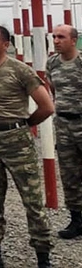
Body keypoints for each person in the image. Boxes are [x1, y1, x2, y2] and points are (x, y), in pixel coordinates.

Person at [0, 25, 55, 268]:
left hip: (16, 140)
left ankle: (43, 260)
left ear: (5, 44)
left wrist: (23, 124)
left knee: (32, 201)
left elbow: (47, 106)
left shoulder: (20, 70)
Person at [46, 24, 82, 239]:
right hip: (64, 125)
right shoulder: (52, 63)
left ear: (73, 40)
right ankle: (77, 219)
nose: (56, 40)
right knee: (69, 175)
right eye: (54, 36)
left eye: (61, 37)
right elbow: (53, 91)